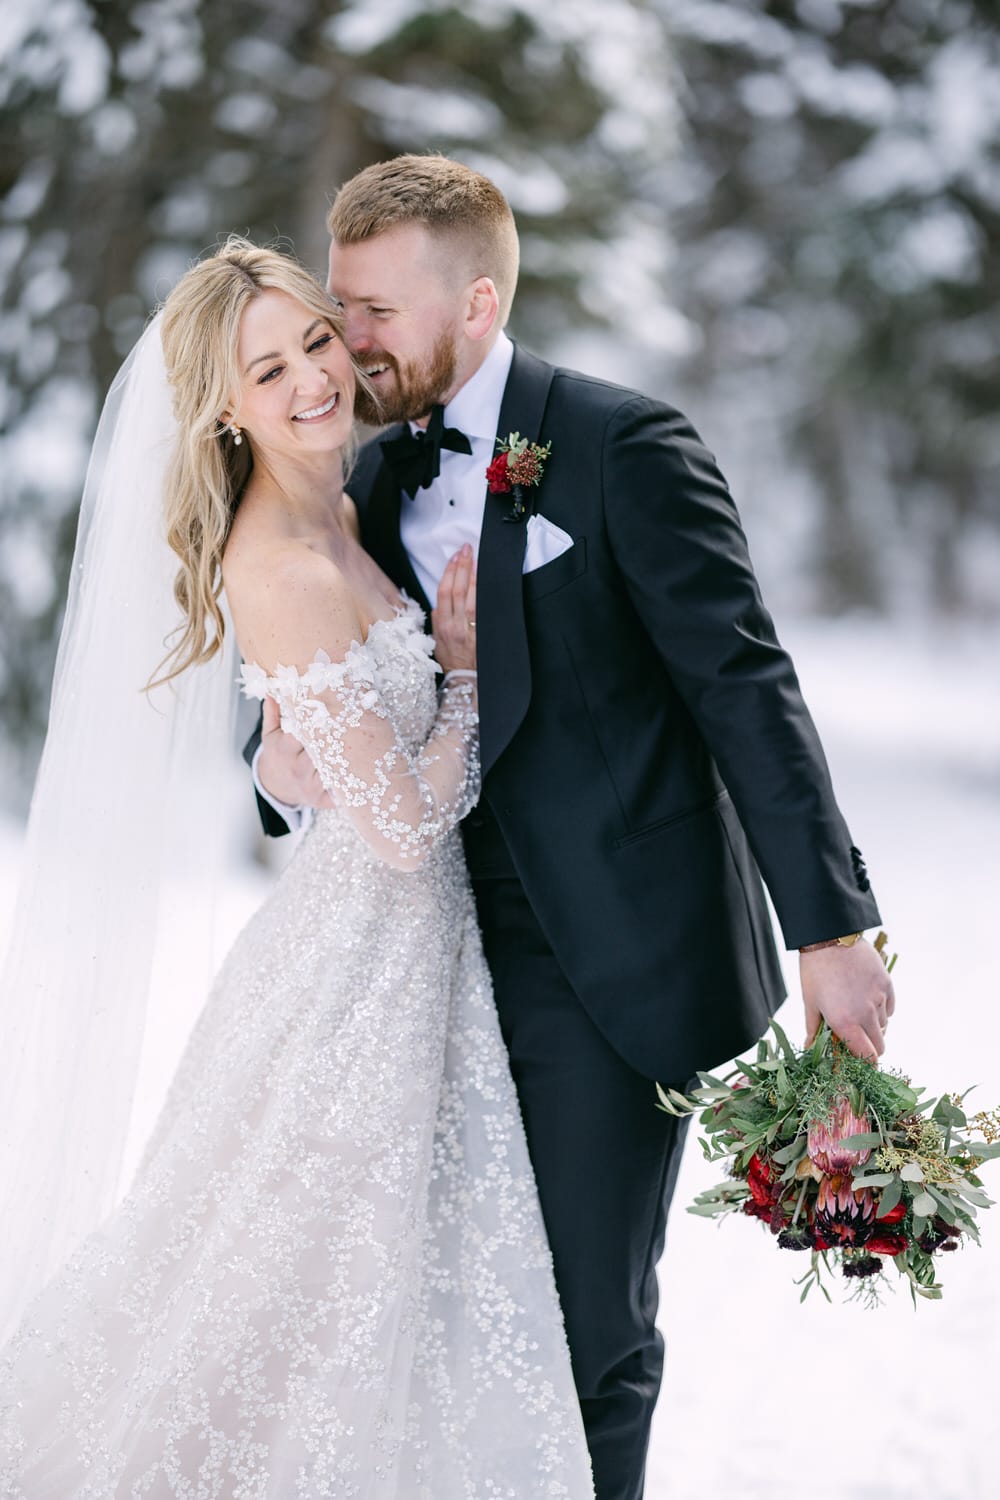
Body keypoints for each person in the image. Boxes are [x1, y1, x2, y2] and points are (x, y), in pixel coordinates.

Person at [253, 155, 896, 1500]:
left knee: (585, 1327)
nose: (345, 340)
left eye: (373, 309)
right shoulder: (356, 472)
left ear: (476, 305)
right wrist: (281, 770)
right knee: (412, 1328)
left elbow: (744, 689)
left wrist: (829, 922)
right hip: (408, 963)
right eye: (338, 303)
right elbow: (302, 709)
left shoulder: (620, 446)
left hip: (600, 965)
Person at [0, 240, 594, 1497]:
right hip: (352, 977)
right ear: (225, 408)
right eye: (268, 371)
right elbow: (399, 827)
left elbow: (304, 746)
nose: (313, 378)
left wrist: (298, 749)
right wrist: (470, 674)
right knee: (287, 1309)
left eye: (316, 340)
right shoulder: (280, 557)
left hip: (407, 957)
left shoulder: (345, 502)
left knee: (363, 1311)